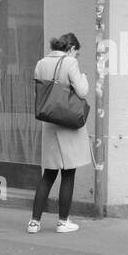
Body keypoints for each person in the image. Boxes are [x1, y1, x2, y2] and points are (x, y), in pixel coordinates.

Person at [28, 33, 90, 234]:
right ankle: (63, 222)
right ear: (71, 48)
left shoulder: (41, 63)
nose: (76, 57)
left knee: (48, 175)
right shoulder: (70, 63)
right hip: (67, 122)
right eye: (76, 53)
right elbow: (82, 92)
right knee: (68, 173)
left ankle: (34, 222)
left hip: (50, 123)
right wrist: (84, 78)